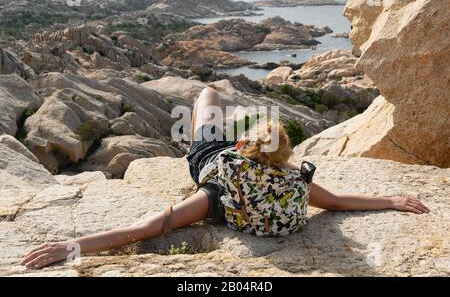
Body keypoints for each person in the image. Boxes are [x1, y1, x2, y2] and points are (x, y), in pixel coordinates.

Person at [21, 87, 430, 269]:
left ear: (240, 152)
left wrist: (73, 247)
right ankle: (245, 127)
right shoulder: (293, 184)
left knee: (209, 95)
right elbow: (339, 203)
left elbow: (147, 227)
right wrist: (390, 201)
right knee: (221, 108)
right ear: (286, 160)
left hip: (210, 155)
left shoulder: (217, 191)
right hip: (248, 153)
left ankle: (230, 119)